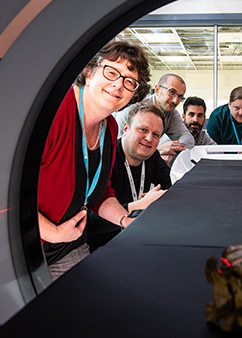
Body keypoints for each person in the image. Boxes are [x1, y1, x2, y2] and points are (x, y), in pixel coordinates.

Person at [37, 41, 150, 280]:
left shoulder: (109, 127)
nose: (118, 85)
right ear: (89, 72)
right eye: (111, 72)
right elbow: (4, 197)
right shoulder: (56, 113)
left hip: (69, 243)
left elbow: (100, 192)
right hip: (26, 245)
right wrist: (54, 232)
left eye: (129, 82)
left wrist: (125, 220)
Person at [87, 102, 171, 251]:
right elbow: (90, 223)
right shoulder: (105, 158)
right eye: (143, 130)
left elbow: (169, 189)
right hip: (101, 247)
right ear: (126, 129)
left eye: (156, 134)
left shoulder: (152, 156)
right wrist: (139, 206)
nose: (149, 138)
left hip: (137, 240)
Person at [116, 73, 195, 165]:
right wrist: (159, 150)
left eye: (180, 97)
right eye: (172, 92)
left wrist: (170, 151)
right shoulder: (133, 109)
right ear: (157, 90)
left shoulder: (172, 114)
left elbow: (188, 139)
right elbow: (116, 147)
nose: (175, 101)